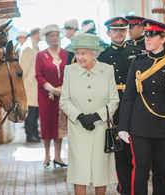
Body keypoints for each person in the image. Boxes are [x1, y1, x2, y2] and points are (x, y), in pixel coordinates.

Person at [118, 19, 165, 195]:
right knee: (140, 170)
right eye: (147, 35)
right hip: (139, 127)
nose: (147, 39)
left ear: (163, 39)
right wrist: (123, 126)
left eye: (152, 35)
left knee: (161, 172)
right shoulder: (138, 62)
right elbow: (129, 97)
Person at [60, 33, 119, 195]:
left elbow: (114, 100)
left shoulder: (107, 70)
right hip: (78, 128)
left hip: (100, 128)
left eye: (83, 53)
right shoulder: (69, 71)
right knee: (79, 172)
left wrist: (96, 116)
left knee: (101, 171)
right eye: (77, 53)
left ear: (94, 53)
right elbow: (64, 100)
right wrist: (80, 116)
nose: (79, 57)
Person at [97, 16, 142, 195]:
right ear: (108, 33)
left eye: (122, 30)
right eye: (115, 30)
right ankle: (124, 188)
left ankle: (131, 187)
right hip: (113, 109)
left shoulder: (136, 51)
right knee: (120, 154)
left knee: (134, 152)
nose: (119, 33)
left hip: (134, 108)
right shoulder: (102, 55)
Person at [35, 24, 68, 168]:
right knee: (48, 124)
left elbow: (71, 72)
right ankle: (47, 155)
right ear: (47, 39)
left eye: (57, 35)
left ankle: (58, 157)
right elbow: (38, 75)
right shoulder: (41, 55)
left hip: (63, 94)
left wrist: (63, 88)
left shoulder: (66, 54)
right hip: (47, 95)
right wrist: (52, 88)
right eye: (51, 36)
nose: (55, 38)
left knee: (60, 125)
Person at [19, 27, 41, 143]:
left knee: (34, 112)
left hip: (34, 86)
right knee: (31, 113)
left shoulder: (33, 45)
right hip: (29, 86)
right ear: (37, 34)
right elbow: (23, 69)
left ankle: (35, 133)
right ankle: (30, 135)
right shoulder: (28, 47)